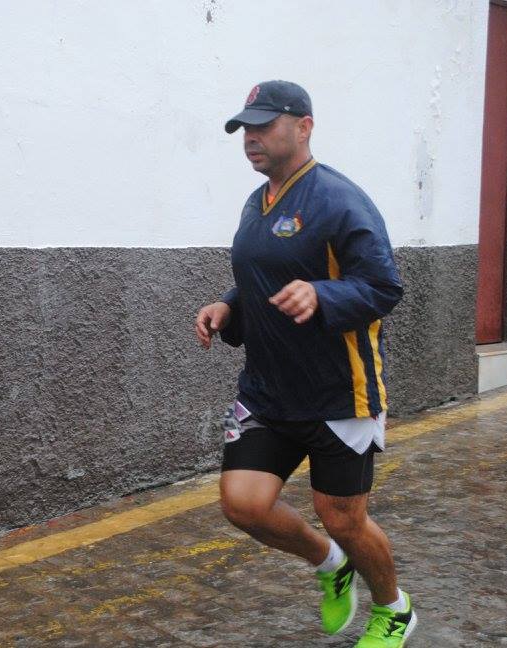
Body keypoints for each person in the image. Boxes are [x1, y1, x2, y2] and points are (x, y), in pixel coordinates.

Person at [194, 80, 415, 647]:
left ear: (304, 126)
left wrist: (323, 294)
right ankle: (331, 564)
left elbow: (383, 286)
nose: (251, 138)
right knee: (243, 505)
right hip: (268, 392)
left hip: (339, 394)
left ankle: (393, 609)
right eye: (245, 128)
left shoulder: (341, 201)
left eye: (264, 126)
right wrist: (229, 306)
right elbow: (261, 276)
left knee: (342, 516)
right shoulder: (257, 200)